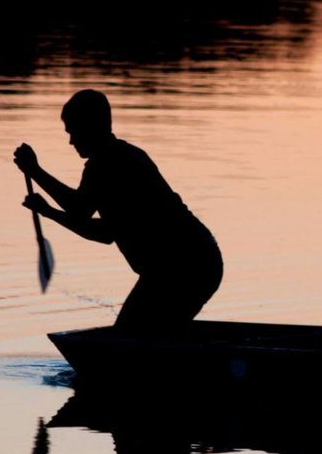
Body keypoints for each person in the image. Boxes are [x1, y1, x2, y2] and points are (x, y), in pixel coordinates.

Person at [13, 89, 222, 333]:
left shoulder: (109, 163)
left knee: (131, 336)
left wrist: (36, 172)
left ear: (91, 127)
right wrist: (48, 211)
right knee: (145, 333)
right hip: (190, 264)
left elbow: (79, 210)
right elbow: (104, 233)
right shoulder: (118, 157)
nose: (71, 141)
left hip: (183, 266)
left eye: (73, 132)